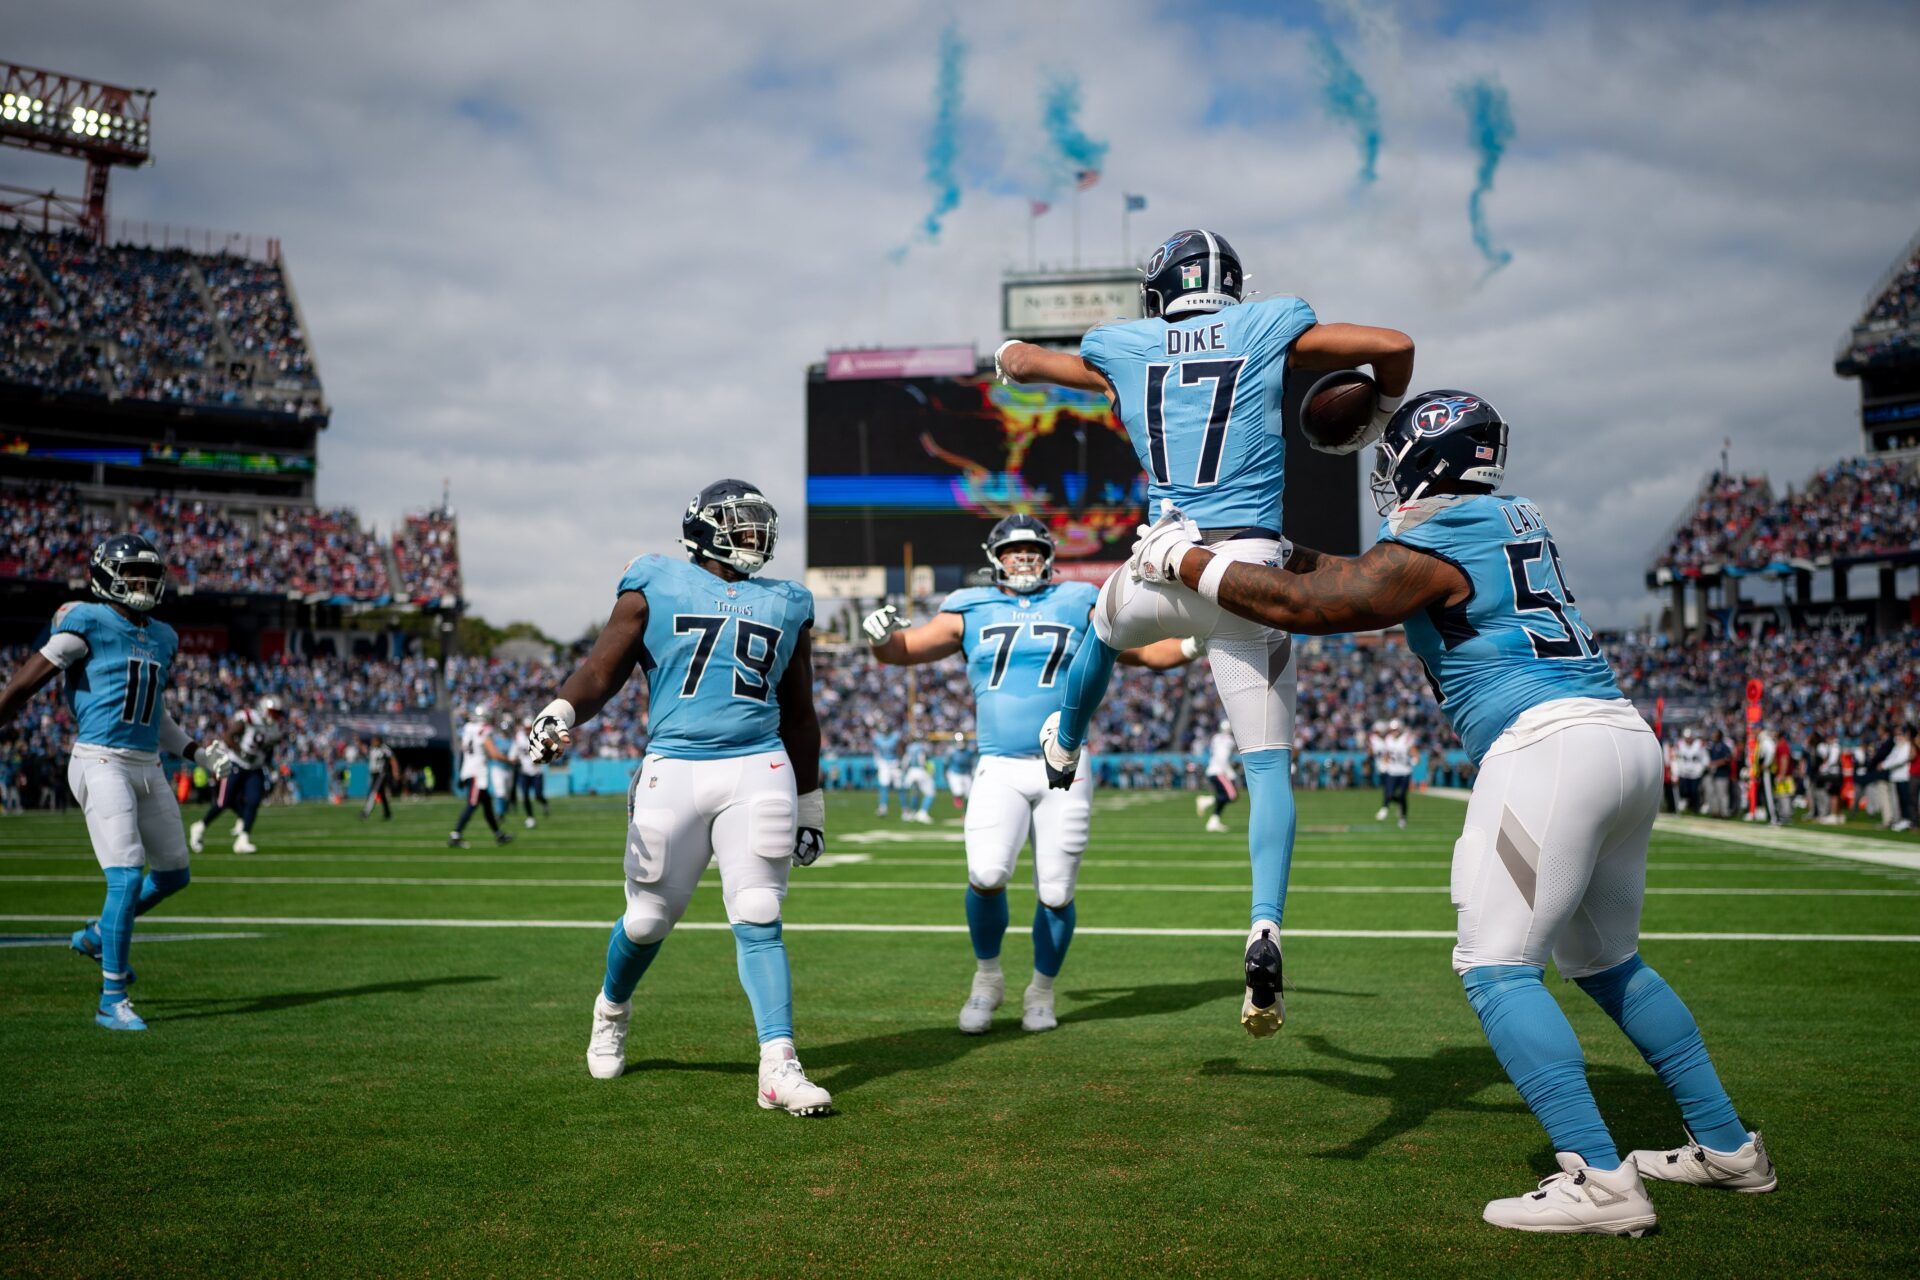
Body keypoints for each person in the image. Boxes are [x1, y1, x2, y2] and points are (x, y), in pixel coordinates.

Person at [1130, 390, 1775, 1234]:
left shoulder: (1441, 537)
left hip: (1545, 746)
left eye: (1395, 459)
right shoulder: (1511, 515)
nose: (1388, 477)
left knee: (1495, 965)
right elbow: (1349, 576)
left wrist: (1184, 559)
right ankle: (1727, 1146)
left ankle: (1599, 1182)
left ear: (1425, 459)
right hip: (1618, 735)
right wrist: (1280, 549)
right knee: (1609, 962)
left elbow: (1322, 606)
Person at [995, 227, 1415, 1036]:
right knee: (1267, 772)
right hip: (1251, 576)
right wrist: (1376, 419)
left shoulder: (1120, 344)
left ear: (1156, 291)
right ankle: (1265, 927)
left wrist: (1015, 352)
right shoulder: (1268, 324)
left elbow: (1026, 362)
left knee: (1098, 632)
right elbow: (1392, 346)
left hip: (1161, 564)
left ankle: (1066, 741)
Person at [527, 479, 832, 1115]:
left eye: (759, 525)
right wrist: (559, 710)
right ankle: (611, 1006)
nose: (757, 536)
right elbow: (601, 671)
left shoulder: (788, 601)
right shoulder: (655, 580)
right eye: (741, 524)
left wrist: (810, 802)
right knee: (646, 920)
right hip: (676, 766)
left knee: (757, 909)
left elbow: (800, 714)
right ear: (703, 529)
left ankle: (778, 1063)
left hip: (759, 764)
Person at [863, 515, 1195, 1034]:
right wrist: (880, 637)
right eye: (1014, 549)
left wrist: (1201, 642)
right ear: (995, 556)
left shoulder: (1079, 599)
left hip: (1064, 761)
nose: (1024, 558)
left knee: (1056, 892)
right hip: (998, 763)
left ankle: (1041, 990)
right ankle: (987, 977)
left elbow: (1147, 652)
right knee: (987, 875)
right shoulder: (968, 606)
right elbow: (902, 650)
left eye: (1032, 549)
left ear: (1049, 556)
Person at [0, 534, 234, 1031]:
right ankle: (112, 997)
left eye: (151, 577)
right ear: (108, 577)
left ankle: (95, 936)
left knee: (173, 874)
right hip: (101, 759)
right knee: (126, 874)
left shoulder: (164, 636)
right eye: (134, 577)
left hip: (148, 764)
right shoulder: (88, 621)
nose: (144, 586)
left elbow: (156, 715)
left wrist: (196, 750)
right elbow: (23, 684)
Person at [189, 694, 285, 854]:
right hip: (235, 764)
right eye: (272, 712)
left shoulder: (275, 729)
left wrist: (270, 765)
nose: (274, 716)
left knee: (254, 800)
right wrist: (241, 752)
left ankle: (243, 839)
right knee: (223, 802)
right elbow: (228, 736)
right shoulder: (250, 718)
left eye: (277, 713)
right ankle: (200, 826)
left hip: (255, 767)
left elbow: (269, 749)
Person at [450, 701, 514, 847]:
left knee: (487, 806)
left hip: (469, 770)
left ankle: (499, 835)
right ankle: (455, 835)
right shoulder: (483, 730)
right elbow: (493, 753)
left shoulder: (467, 728)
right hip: (477, 773)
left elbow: (463, 751)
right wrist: (510, 761)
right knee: (472, 804)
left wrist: (460, 772)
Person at [1198, 722, 1238, 833]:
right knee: (1232, 796)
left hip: (1213, 770)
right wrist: (1230, 773)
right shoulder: (1229, 741)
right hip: (1219, 771)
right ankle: (1206, 801)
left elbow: (1215, 754)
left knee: (1223, 797)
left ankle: (1213, 822)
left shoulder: (1216, 738)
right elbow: (1223, 758)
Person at [1378, 717, 1416, 829]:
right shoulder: (1388, 739)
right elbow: (1386, 754)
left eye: (1396, 729)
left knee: (1403, 795)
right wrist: (1384, 764)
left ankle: (1402, 817)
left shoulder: (1406, 738)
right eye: (1392, 729)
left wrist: (1414, 759)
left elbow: (1414, 752)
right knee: (1389, 795)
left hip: (1404, 771)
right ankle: (1390, 807)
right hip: (1392, 771)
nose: (1394, 731)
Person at [514, 719, 550, 827]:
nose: (527, 731)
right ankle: (530, 817)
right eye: (526, 728)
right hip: (524, 771)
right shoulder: (519, 737)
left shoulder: (539, 736)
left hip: (536, 771)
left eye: (529, 728)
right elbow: (515, 751)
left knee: (538, 795)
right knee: (525, 796)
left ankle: (544, 803)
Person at [900, 736, 936, 824]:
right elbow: (922, 760)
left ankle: (908, 812)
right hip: (920, 771)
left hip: (911, 771)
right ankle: (922, 813)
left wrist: (904, 772)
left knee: (912, 793)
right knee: (930, 793)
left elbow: (905, 761)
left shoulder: (909, 747)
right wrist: (926, 769)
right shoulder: (922, 747)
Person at [361, 733, 395, 821]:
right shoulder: (372, 749)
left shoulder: (385, 749)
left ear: (378, 741)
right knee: (382, 795)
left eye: (374, 741)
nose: (373, 742)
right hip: (373, 774)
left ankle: (366, 812)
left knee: (373, 792)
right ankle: (388, 814)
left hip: (380, 774)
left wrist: (395, 771)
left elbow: (393, 759)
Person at [870, 726, 902, 816]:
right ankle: (883, 807)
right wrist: (877, 762)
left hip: (894, 762)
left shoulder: (895, 736)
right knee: (883, 786)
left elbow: (900, 748)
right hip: (884, 763)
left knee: (900, 787)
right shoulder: (877, 738)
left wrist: (900, 760)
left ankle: (904, 809)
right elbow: (875, 751)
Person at [943, 732, 975, 810]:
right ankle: (957, 798)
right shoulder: (951, 751)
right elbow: (946, 763)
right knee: (958, 791)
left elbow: (971, 762)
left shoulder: (969, 750)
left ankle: (966, 812)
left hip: (966, 773)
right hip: (955, 773)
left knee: (969, 794)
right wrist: (945, 773)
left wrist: (972, 772)